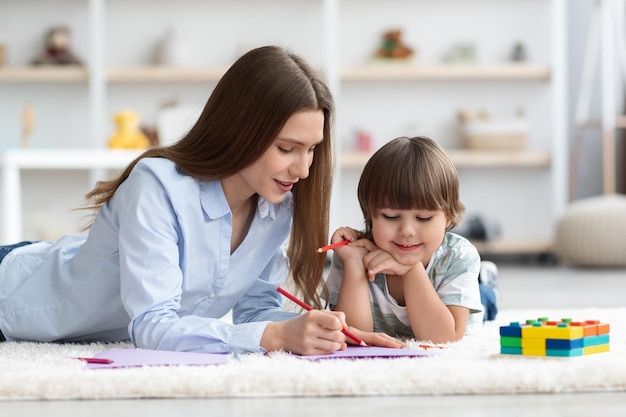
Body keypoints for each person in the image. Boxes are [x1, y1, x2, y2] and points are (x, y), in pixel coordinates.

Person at [0, 45, 402, 355]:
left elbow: (256, 312)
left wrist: (326, 332)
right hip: (14, 294)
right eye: (287, 148)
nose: (304, 169)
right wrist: (276, 336)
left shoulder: (276, 204)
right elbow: (153, 325)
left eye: (312, 149)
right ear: (240, 130)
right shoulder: (155, 186)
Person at [326, 136, 497, 344]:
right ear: (370, 215)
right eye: (390, 217)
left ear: (449, 217)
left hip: (457, 305)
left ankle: (485, 283)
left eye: (423, 218)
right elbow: (355, 336)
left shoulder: (458, 256)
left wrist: (409, 269)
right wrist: (354, 263)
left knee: (485, 301)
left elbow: (445, 340)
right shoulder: (353, 252)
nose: (406, 231)